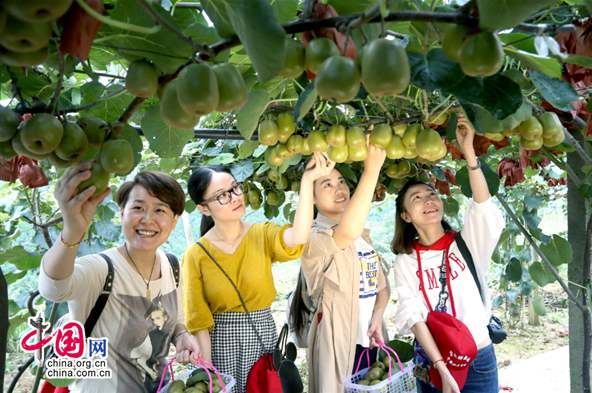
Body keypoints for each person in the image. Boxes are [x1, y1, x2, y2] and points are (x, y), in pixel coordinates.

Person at [38, 163, 200, 393]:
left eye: (160, 210)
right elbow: (52, 288)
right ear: (122, 213)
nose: (147, 219)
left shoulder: (172, 265)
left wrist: (182, 335)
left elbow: (176, 322)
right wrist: (72, 231)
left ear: (174, 220)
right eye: (138, 207)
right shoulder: (102, 270)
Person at [182, 152, 334, 393]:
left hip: (262, 336)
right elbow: (198, 321)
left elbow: (297, 237)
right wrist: (209, 371)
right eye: (222, 195)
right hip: (221, 343)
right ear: (203, 208)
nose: (234, 197)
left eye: (235, 188)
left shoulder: (261, 234)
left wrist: (307, 183)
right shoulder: (196, 255)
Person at [391, 113, 505, 393]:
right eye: (417, 199)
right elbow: (413, 314)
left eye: (431, 195)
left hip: (477, 357)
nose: (428, 201)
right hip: (433, 362)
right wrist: (442, 367)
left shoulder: (466, 244)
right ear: (406, 216)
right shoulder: (406, 260)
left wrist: (469, 153)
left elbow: (483, 207)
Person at [299, 141, 390, 393]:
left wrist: (377, 316)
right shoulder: (313, 238)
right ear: (313, 198)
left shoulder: (363, 237)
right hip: (338, 341)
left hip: (370, 340)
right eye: (326, 185)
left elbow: (381, 288)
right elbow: (346, 232)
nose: (338, 189)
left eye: (341, 182)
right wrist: (371, 170)